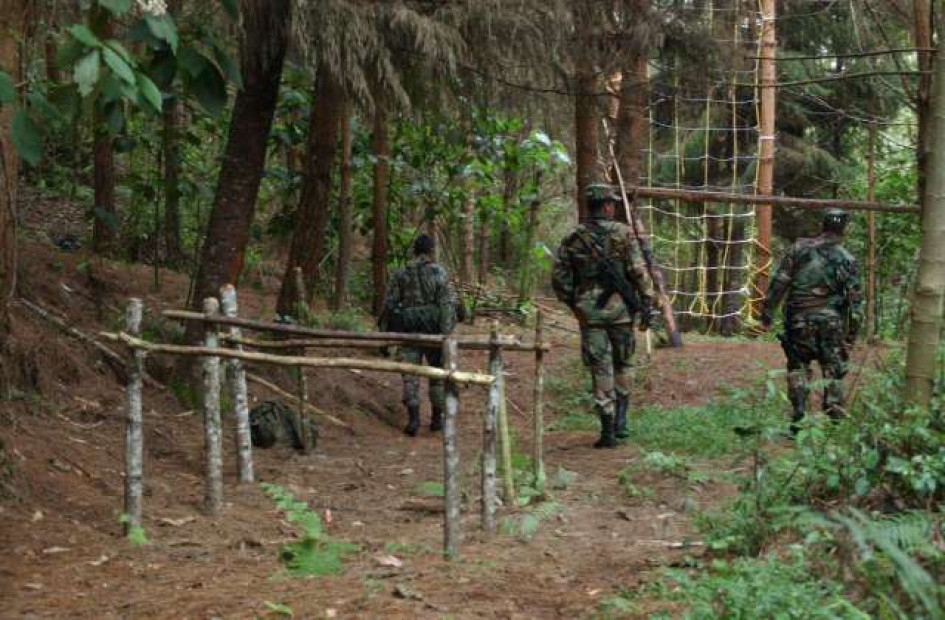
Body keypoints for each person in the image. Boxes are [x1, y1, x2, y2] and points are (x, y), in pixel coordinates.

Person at [552, 183, 655, 449]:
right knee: (624, 364)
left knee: (600, 367)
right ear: (607, 206)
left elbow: (560, 277)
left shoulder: (574, 236)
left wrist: (575, 303)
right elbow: (638, 271)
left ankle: (607, 429)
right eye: (612, 203)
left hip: (591, 314)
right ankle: (621, 420)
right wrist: (647, 301)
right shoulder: (624, 233)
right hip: (621, 312)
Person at [762, 208, 862, 433]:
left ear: (822, 225)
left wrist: (767, 312)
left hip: (798, 320)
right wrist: (851, 335)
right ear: (843, 230)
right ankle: (834, 418)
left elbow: (780, 282)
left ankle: (799, 413)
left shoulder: (799, 249)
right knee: (832, 368)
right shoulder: (847, 259)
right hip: (831, 324)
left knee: (798, 366)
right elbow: (854, 302)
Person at [379, 234, 460, 437]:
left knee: (410, 375)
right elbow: (446, 305)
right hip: (434, 332)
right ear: (431, 250)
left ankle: (413, 420)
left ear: (414, 250)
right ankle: (436, 419)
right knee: (437, 376)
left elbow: (389, 304)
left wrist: (384, 335)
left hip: (409, 331)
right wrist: (446, 333)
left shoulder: (401, 273)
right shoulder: (439, 272)